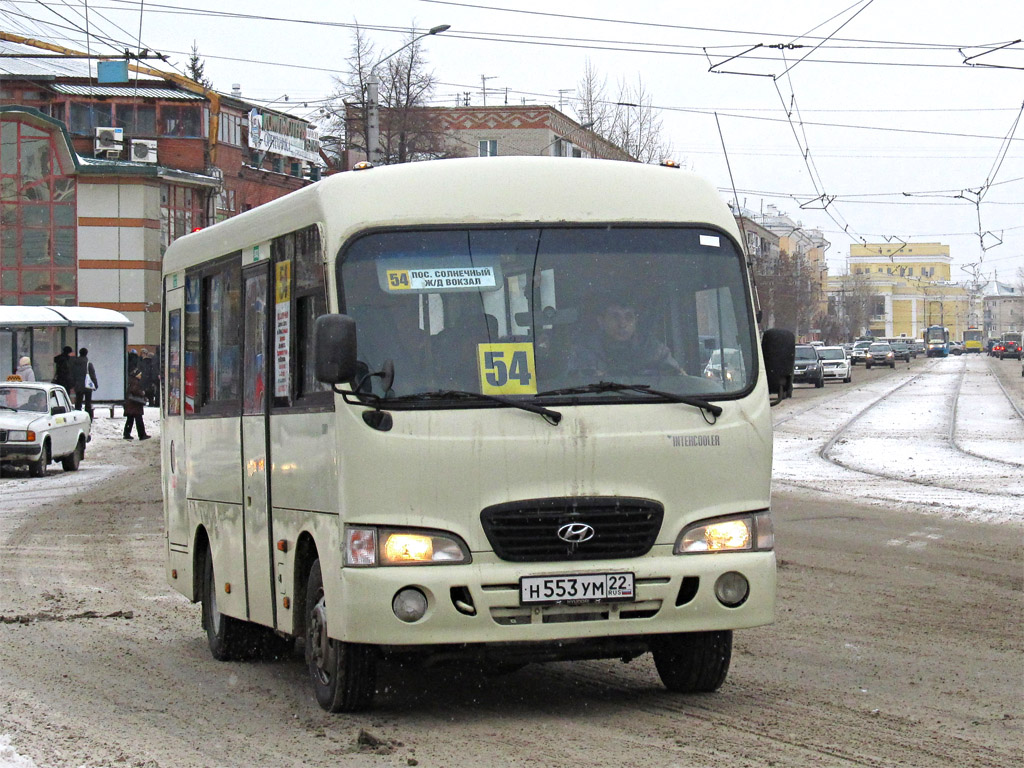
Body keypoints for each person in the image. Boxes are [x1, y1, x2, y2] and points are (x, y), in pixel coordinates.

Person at [567, 299, 680, 380]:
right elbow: (570, 385)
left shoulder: (655, 351)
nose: (622, 324)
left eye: (629, 317)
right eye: (615, 317)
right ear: (601, 321)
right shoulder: (581, 352)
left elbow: (678, 381)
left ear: (635, 321)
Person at [123, 370, 150, 441]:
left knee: (130, 419)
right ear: (136, 375)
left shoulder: (131, 381)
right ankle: (142, 435)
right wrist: (142, 393)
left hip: (131, 405)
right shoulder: (135, 382)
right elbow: (135, 390)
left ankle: (126, 434)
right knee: (139, 420)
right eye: (139, 374)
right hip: (135, 405)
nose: (141, 376)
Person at [71, 347, 98, 419]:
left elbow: (72, 374)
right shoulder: (88, 364)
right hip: (87, 386)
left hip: (78, 386)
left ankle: (77, 417)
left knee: (78, 402)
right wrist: (95, 384)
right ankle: (88, 417)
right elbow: (92, 375)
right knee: (88, 403)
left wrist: (73, 384)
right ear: (86, 353)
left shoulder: (75, 363)